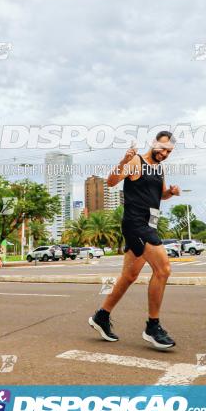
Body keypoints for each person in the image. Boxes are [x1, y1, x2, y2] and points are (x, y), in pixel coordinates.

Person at [88, 131, 181, 349]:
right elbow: (111, 182)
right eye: (163, 148)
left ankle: (101, 316)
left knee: (129, 276)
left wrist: (171, 192)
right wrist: (123, 161)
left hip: (149, 224)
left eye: (169, 151)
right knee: (163, 270)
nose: (165, 153)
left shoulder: (159, 168)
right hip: (135, 223)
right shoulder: (136, 162)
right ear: (153, 144)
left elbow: (159, 196)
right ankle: (152, 326)